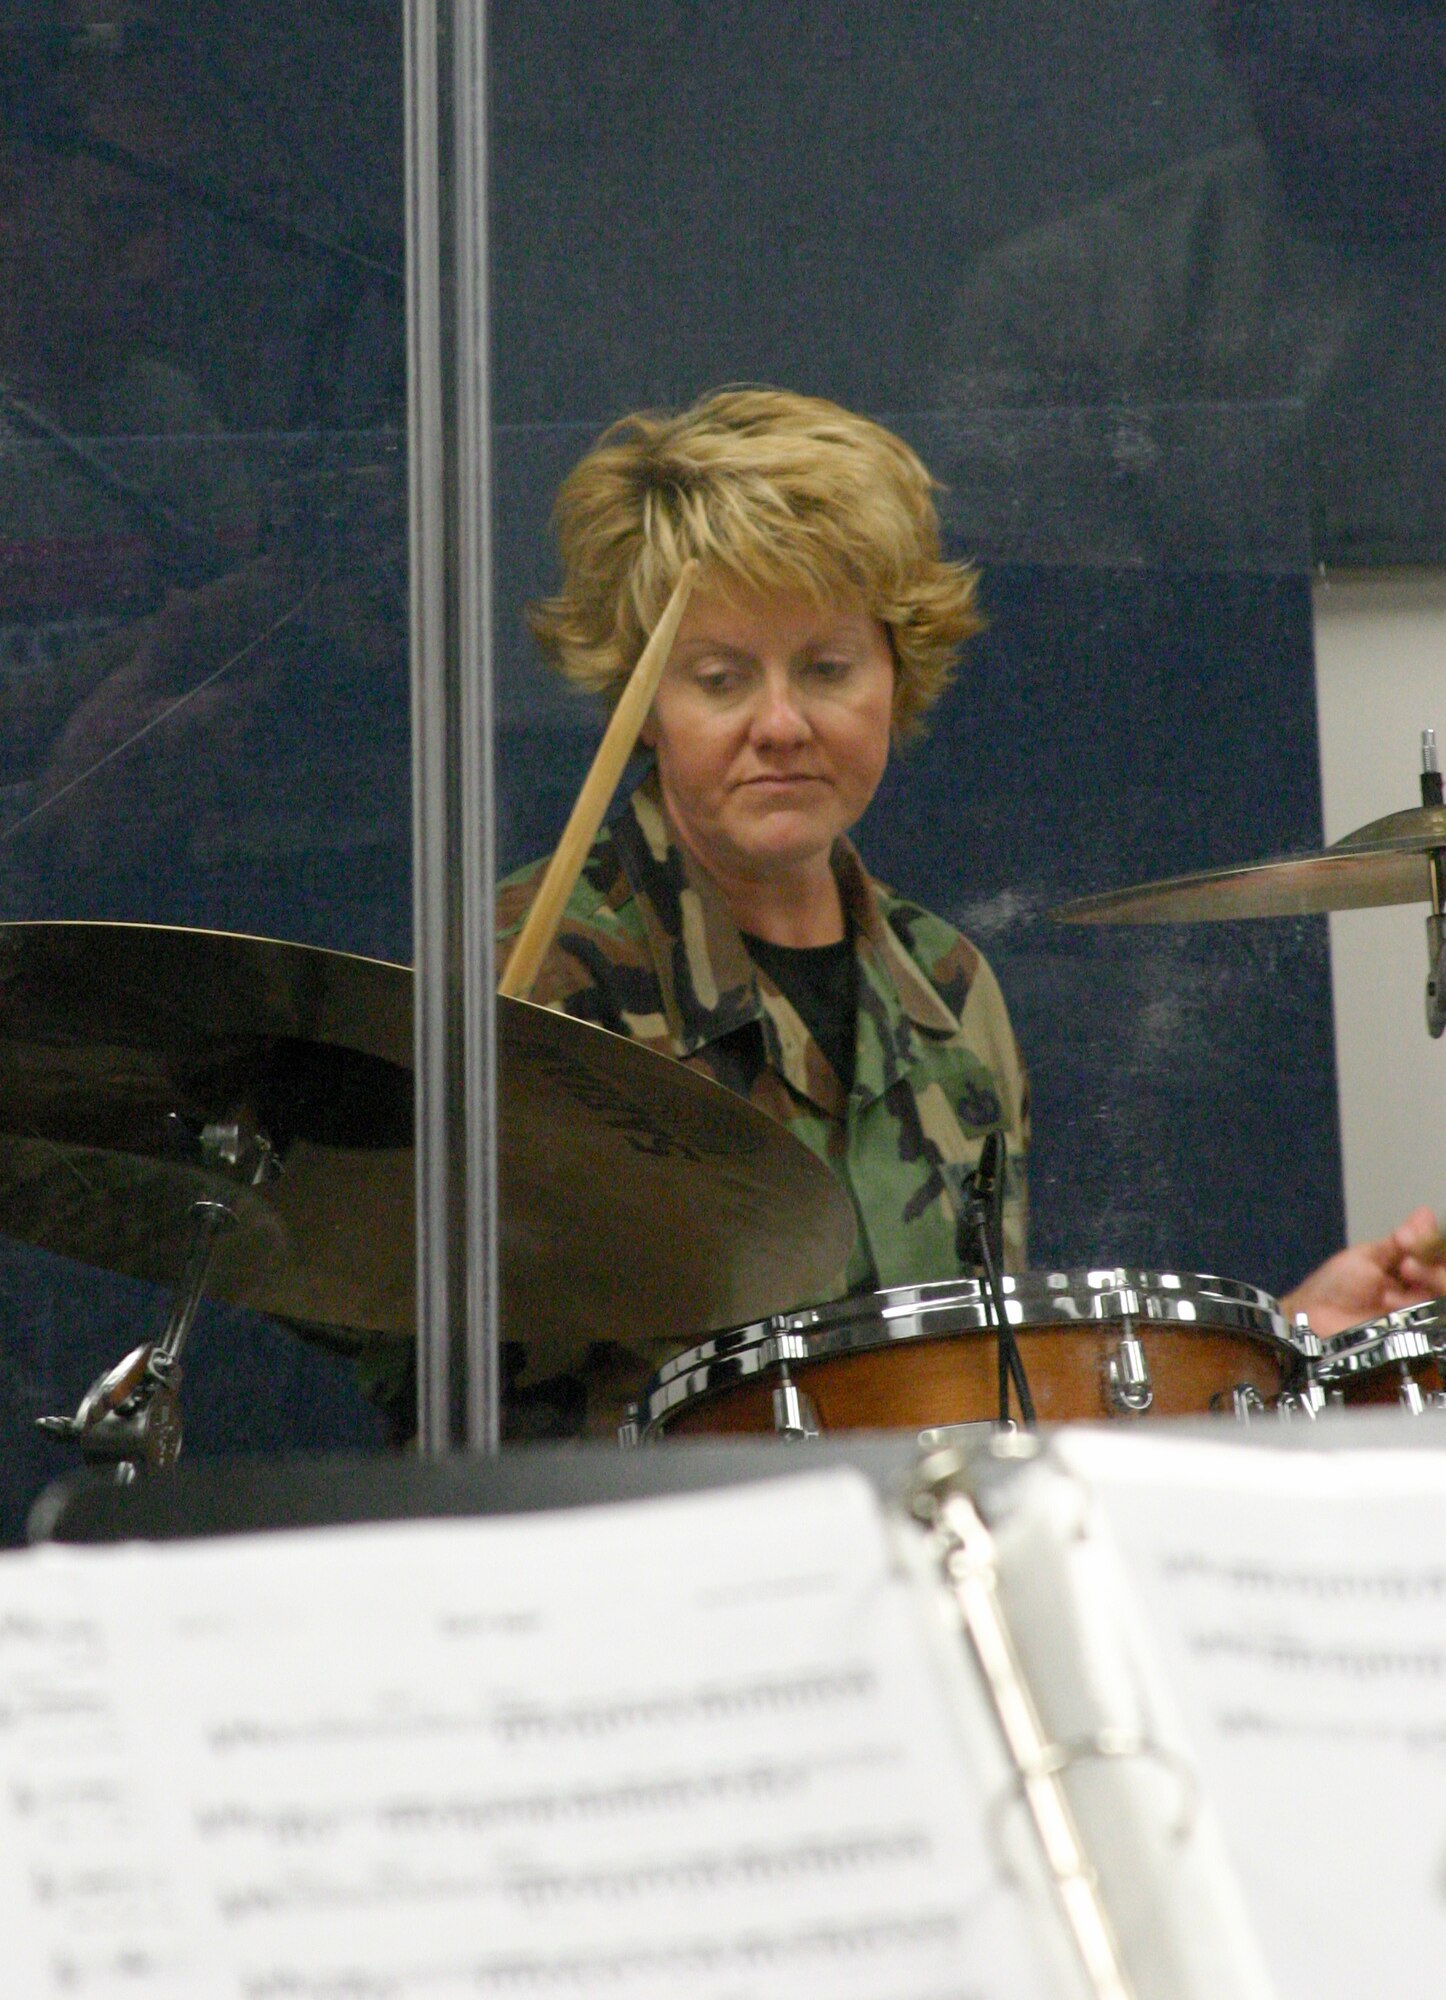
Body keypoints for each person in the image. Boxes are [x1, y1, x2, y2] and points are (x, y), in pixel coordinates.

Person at [492, 386, 1446, 1436]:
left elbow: (986, 1399)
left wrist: (1285, 1350)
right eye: (720, 677)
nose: (781, 723)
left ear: (896, 679)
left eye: (827, 667)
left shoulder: (950, 986)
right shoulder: (534, 973)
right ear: (642, 701)